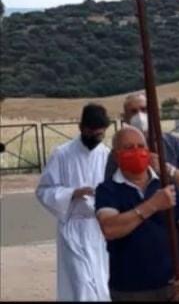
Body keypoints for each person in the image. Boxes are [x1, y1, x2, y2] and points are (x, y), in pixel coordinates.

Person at [95, 125, 179, 301]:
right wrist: (152, 205)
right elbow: (110, 229)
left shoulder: (168, 186)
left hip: (174, 288)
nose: (137, 152)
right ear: (116, 155)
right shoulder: (108, 190)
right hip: (130, 291)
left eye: (141, 146)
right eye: (129, 148)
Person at [35, 103, 112, 301]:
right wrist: (72, 193)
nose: (95, 137)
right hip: (72, 227)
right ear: (81, 128)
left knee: (101, 281)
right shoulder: (62, 154)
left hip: (100, 228)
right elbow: (44, 190)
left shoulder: (107, 155)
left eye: (100, 134)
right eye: (91, 132)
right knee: (81, 282)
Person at [104, 93, 179, 199]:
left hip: (176, 212)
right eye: (133, 112)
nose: (139, 116)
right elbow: (110, 192)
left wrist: (167, 169)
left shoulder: (176, 145)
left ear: (154, 112)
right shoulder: (119, 151)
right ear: (125, 118)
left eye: (144, 109)